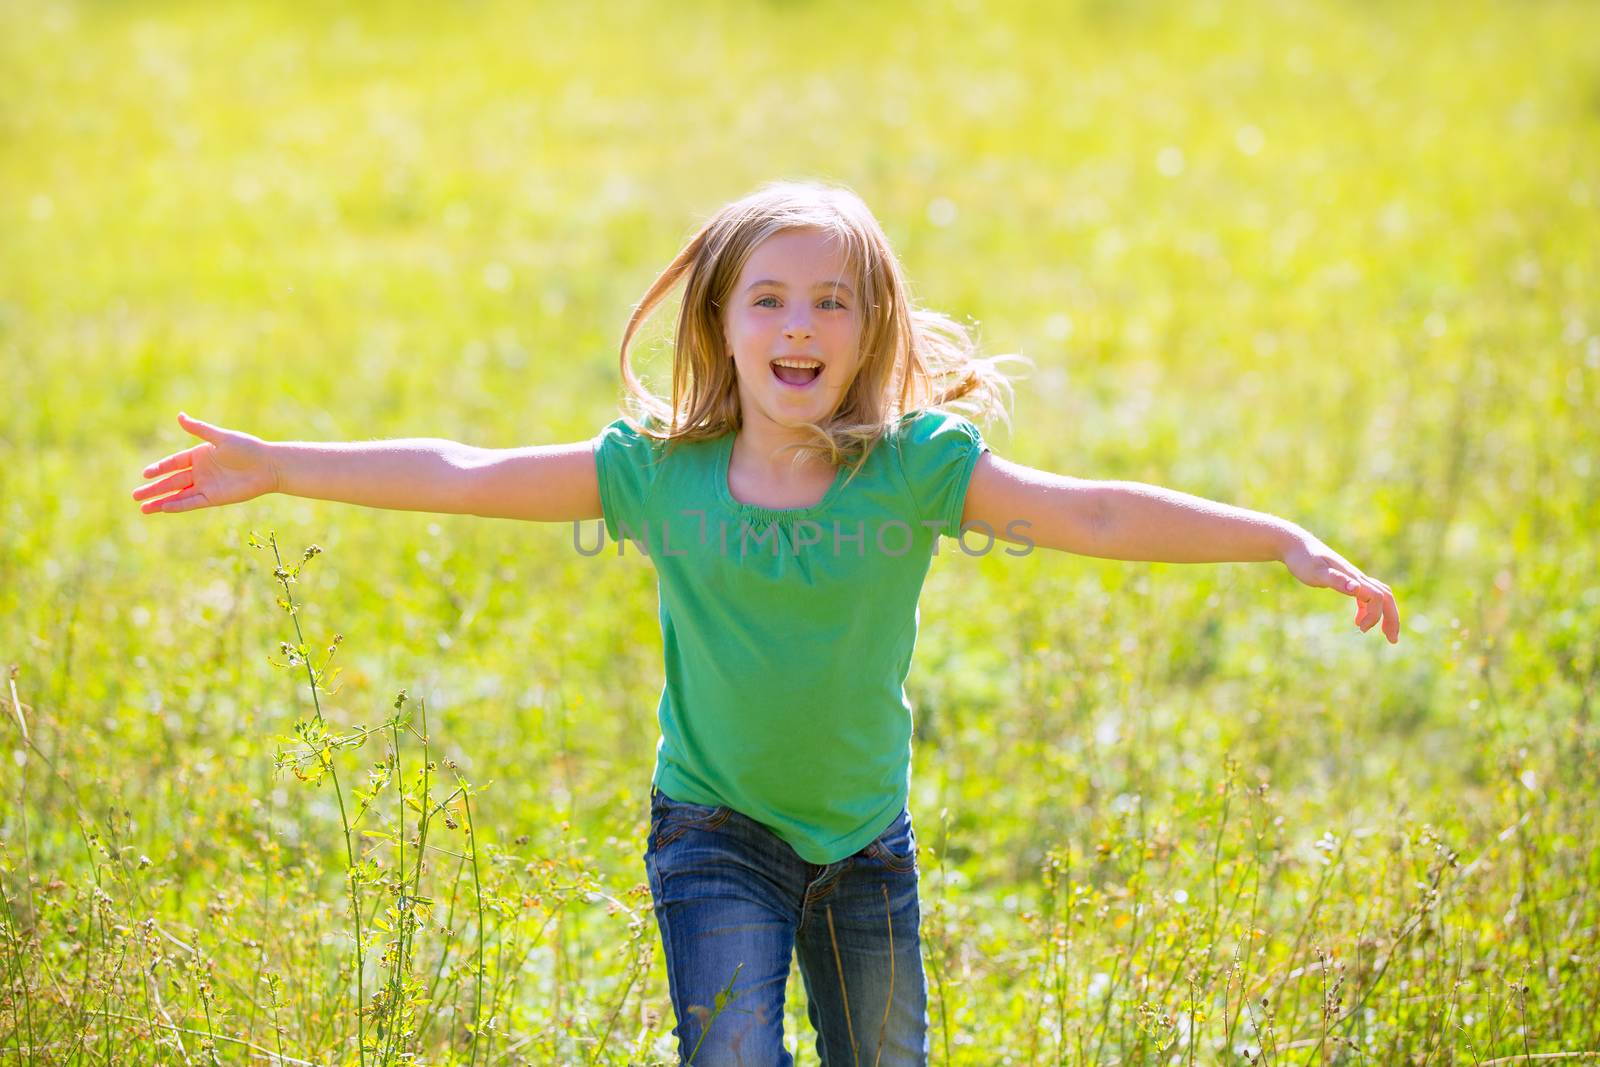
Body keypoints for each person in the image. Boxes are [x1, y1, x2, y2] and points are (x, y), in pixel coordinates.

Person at [132, 179, 1400, 1066]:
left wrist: (1278, 538)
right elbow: (463, 471)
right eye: (771, 299)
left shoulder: (916, 468)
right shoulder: (654, 471)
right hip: (715, 829)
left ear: (871, 330)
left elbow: (1102, 517)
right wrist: (282, 463)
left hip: (865, 841)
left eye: (833, 302)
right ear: (722, 324)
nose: (800, 323)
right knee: (731, 1049)